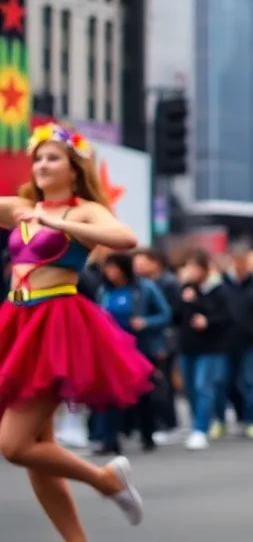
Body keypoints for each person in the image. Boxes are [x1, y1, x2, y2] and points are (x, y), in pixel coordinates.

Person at [0, 122, 147, 536]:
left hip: (55, 328)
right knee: (36, 451)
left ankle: (104, 479)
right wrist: (33, 215)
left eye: (53, 158)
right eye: (38, 158)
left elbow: (124, 237)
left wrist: (63, 226)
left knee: (14, 446)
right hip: (16, 322)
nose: (42, 165)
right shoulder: (19, 209)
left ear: (73, 168)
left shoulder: (82, 210)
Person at [95, 251, 174, 455]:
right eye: (107, 268)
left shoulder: (145, 287)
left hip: (140, 348)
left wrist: (145, 322)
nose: (110, 272)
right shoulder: (104, 290)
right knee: (110, 394)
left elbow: (165, 314)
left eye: (113, 267)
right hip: (112, 349)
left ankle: (147, 434)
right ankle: (109, 440)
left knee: (143, 394)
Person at [176, 250, 234, 452]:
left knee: (203, 386)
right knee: (190, 389)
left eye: (194, 267)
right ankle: (197, 424)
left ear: (204, 269)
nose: (190, 271)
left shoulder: (218, 289)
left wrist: (206, 320)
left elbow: (227, 316)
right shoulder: (186, 289)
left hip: (211, 347)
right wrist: (184, 298)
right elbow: (176, 316)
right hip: (188, 346)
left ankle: (201, 429)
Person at [215, 244, 253, 441]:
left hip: (249, 341)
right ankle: (220, 420)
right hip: (224, 341)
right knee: (222, 382)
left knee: (249, 382)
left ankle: (252, 421)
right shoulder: (222, 285)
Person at [133, 248, 181, 443]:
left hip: (162, 340)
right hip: (149, 341)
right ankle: (155, 424)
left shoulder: (167, 283)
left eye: (141, 261)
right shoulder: (144, 283)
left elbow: (171, 314)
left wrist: (147, 322)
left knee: (162, 384)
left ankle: (167, 423)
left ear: (155, 262)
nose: (137, 265)